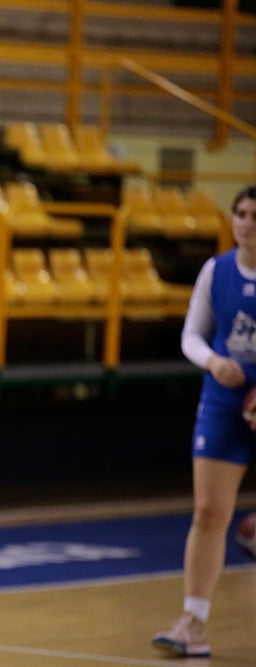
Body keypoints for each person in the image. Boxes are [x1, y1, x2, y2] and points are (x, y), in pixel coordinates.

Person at [152, 185, 256, 658]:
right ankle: (193, 623)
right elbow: (192, 336)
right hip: (224, 402)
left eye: (255, 215)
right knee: (209, 512)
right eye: (241, 213)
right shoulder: (216, 270)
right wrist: (213, 362)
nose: (247, 223)